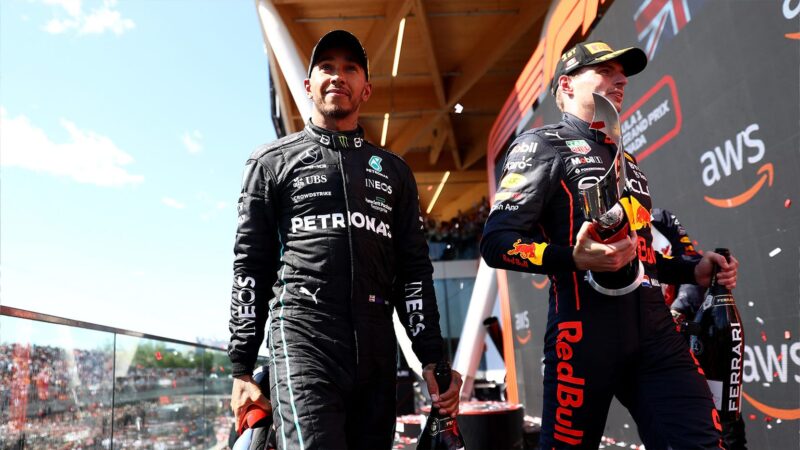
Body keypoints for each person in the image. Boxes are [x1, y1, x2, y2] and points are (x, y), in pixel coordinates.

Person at [480, 40, 739, 449]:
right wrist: (572, 258)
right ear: (566, 84)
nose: (620, 80)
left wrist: (693, 270)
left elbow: (641, 256)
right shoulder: (540, 145)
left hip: (656, 335)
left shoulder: (626, 159)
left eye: (623, 75)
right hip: (582, 336)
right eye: (605, 72)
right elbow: (497, 242)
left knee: (704, 443)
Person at [227, 30, 461, 449]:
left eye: (350, 68)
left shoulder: (395, 173)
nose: (338, 76)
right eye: (327, 67)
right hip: (302, 338)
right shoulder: (270, 162)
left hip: (375, 347)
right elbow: (250, 267)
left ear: (365, 89)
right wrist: (241, 368)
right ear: (308, 84)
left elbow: (413, 272)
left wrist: (433, 358)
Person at [651, 208, 748, 449]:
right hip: (648, 348)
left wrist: (677, 310)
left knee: (723, 422)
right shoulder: (604, 225)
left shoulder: (661, 219)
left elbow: (691, 264)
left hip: (684, 338)